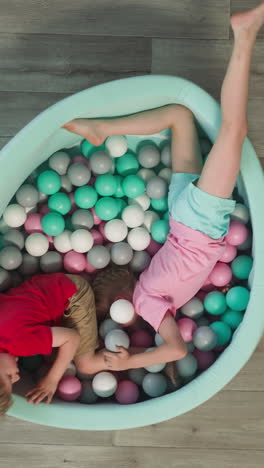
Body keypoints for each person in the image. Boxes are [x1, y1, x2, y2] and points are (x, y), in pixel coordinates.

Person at [62, 4, 264, 372]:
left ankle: (245, 34)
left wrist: (125, 365)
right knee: (179, 116)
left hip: (201, 224)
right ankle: (103, 128)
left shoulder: (146, 304)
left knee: (234, 130)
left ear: (123, 305)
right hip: (180, 215)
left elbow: (176, 351)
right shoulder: (147, 290)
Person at [0, 269, 136, 413]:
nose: (17, 377)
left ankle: (140, 355)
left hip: (74, 295)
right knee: (54, 356)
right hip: (50, 286)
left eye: (9, 376)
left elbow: (71, 338)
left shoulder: (19, 343)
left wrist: (52, 380)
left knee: (86, 365)